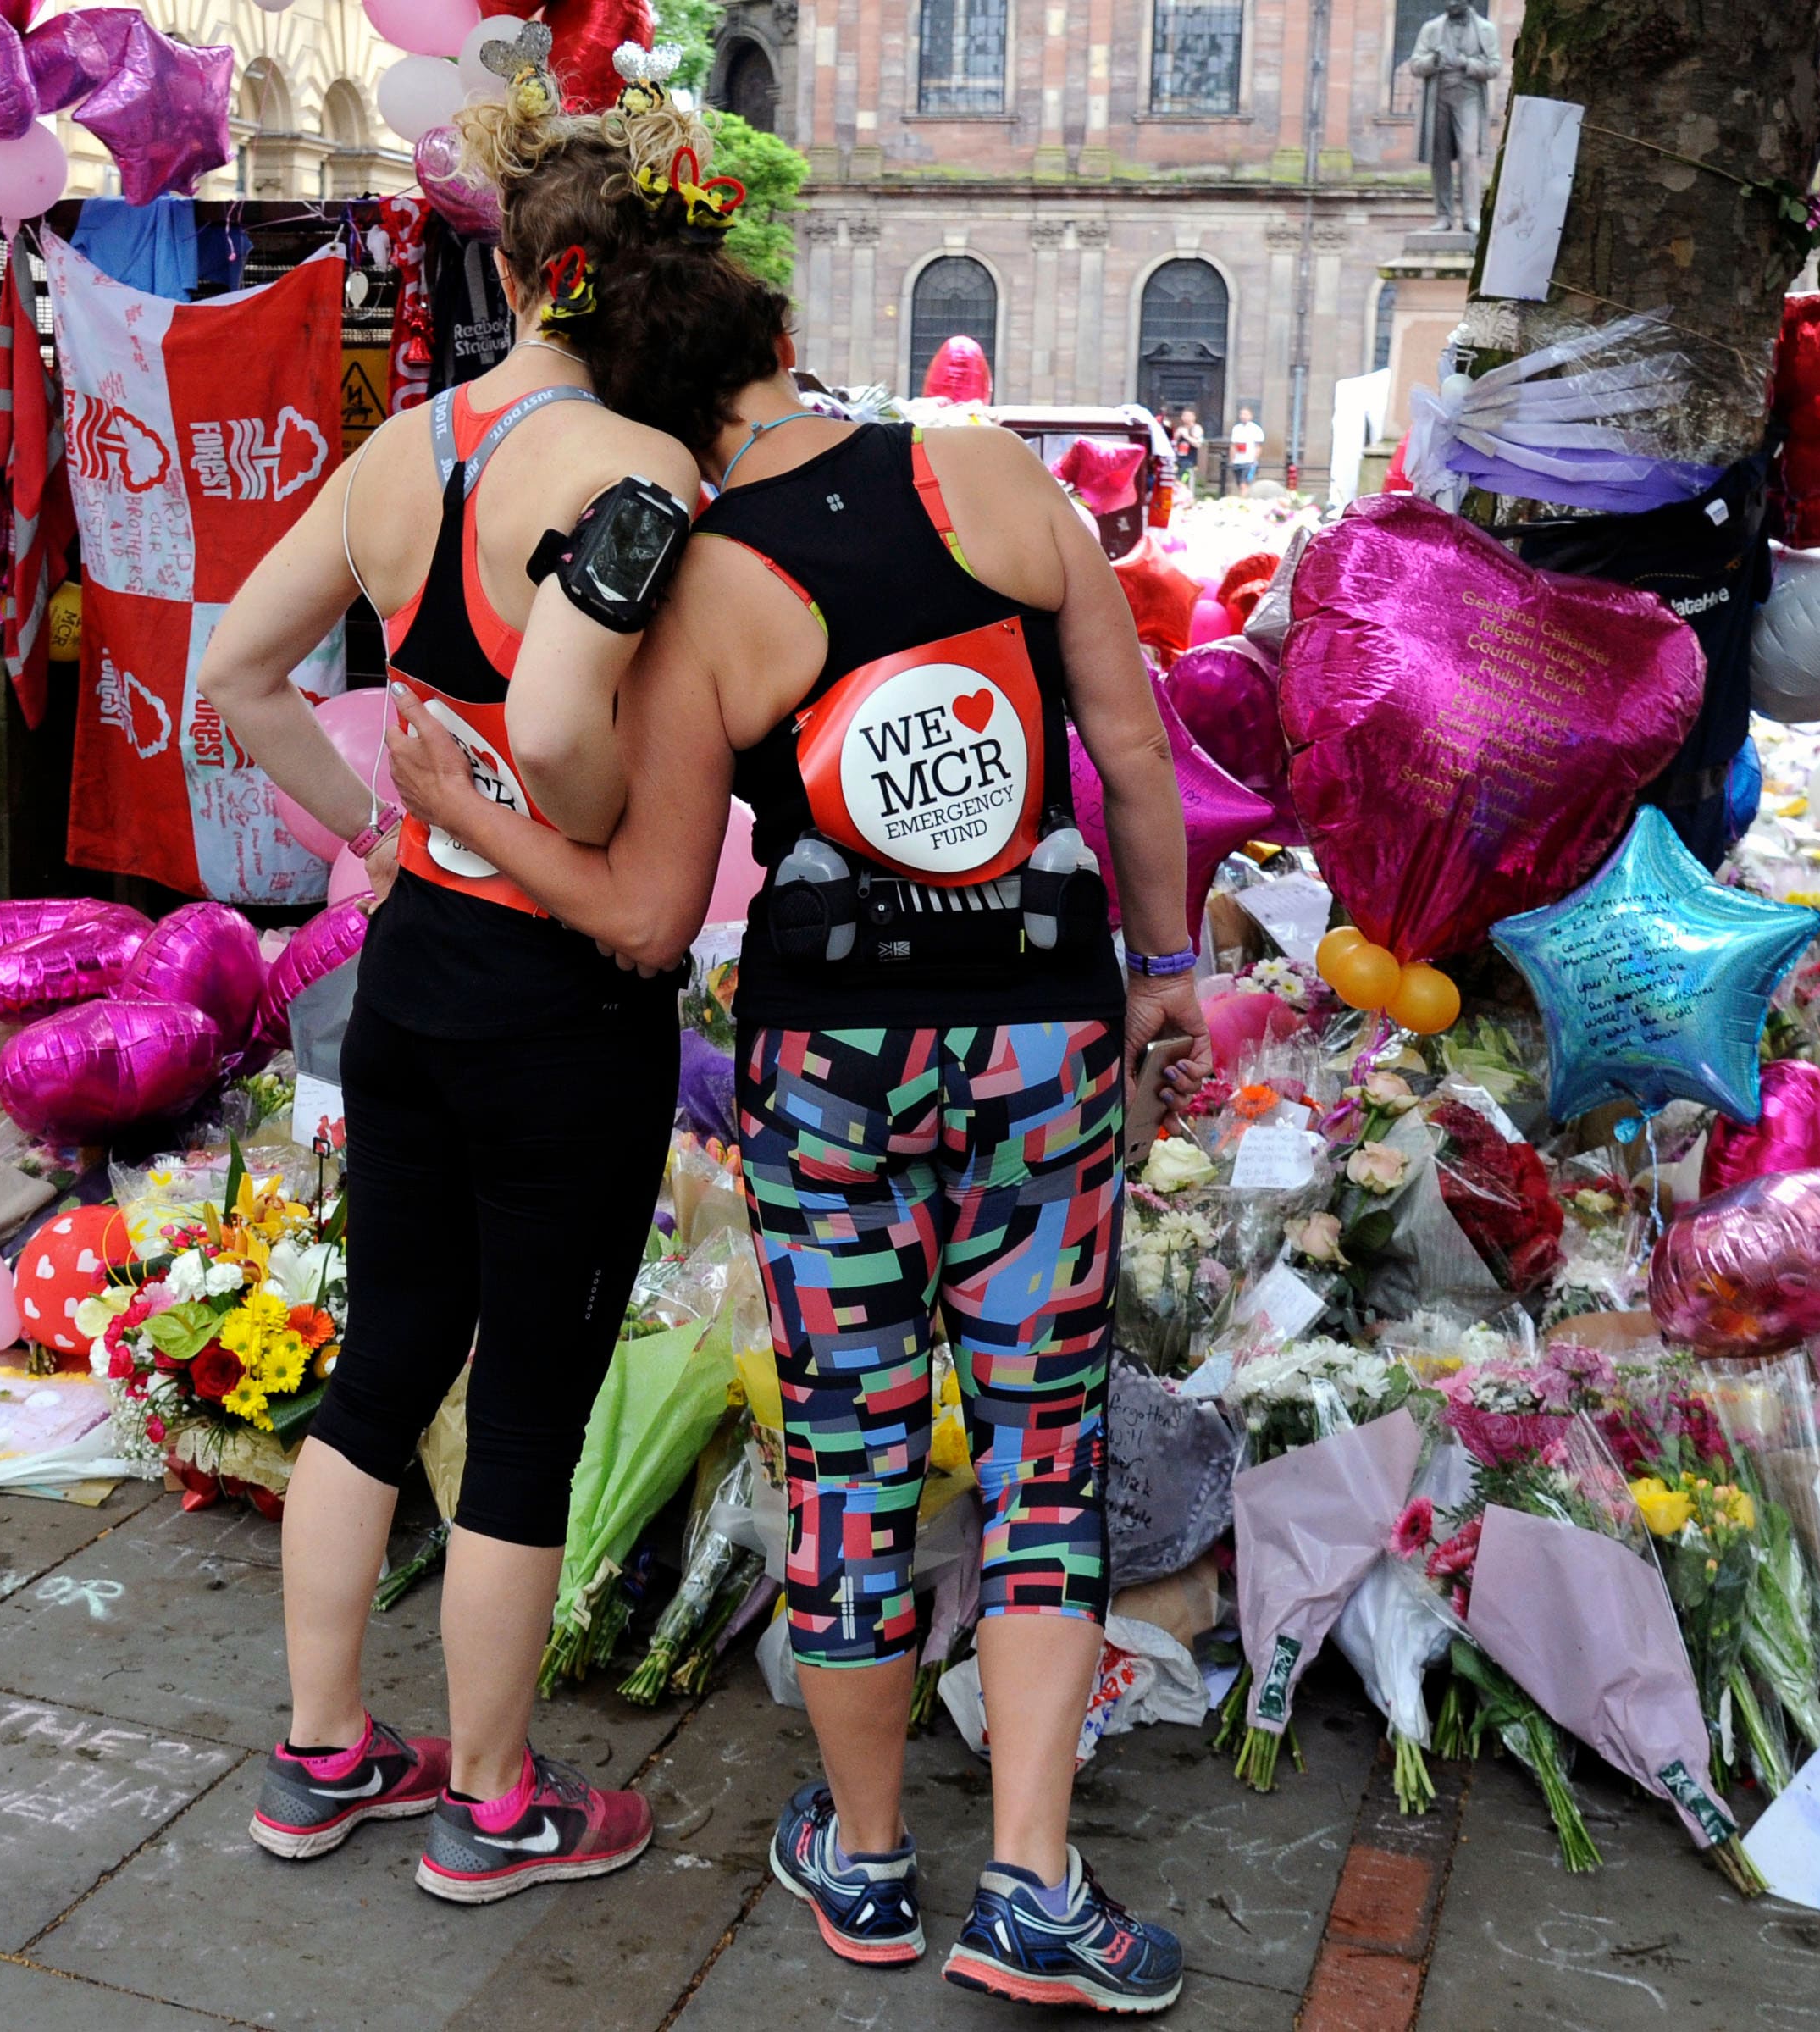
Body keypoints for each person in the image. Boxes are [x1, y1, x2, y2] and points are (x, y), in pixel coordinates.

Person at [384, 215, 1209, 2015]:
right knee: (1041, 1447)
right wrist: (1163, 964)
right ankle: (1032, 1880)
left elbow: (645, 920)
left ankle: (865, 1855)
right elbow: (1134, 750)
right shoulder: (987, 477)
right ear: (774, 333)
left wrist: (463, 809)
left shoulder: (697, 595)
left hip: (831, 1068)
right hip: (1040, 1039)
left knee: (848, 1451)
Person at [193, 68, 726, 1901]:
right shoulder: (638, 472)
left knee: (384, 1358)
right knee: (528, 1404)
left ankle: (323, 1744)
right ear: (632, 278)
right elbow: (566, 733)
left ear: (511, 272)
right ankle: (493, 1800)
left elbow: (236, 672)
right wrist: (543, 820)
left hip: (413, 967)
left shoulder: (399, 452)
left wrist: (376, 828)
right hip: (550, 988)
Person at [1409, 0, 1502, 234]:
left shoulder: (1486, 29)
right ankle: (1444, 216)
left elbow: (1495, 66)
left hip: (1468, 96)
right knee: (1439, 157)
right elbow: (1415, 65)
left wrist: (1467, 63)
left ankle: (1471, 216)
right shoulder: (1431, 28)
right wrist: (1433, 61)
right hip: (1439, 95)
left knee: (1469, 155)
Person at [1227, 406, 1264, 492]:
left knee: (1244, 484)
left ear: (1251, 416)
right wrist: (1232, 460)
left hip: (1249, 461)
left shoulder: (1256, 429)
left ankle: (1244, 499)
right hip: (1238, 460)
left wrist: (1254, 460)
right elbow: (1233, 445)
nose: (1243, 416)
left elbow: (1258, 446)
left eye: (1246, 414)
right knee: (1239, 483)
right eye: (1242, 414)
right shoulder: (1236, 428)